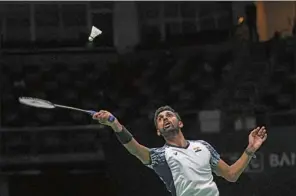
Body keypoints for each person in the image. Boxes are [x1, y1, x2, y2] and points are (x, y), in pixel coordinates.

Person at [93, 105, 267, 196]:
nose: (164, 119)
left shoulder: (203, 147)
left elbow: (231, 175)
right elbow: (135, 149)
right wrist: (115, 124)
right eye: (160, 119)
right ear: (158, 131)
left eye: (168, 115)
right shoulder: (160, 156)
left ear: (180, 122)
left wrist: (250, 149)